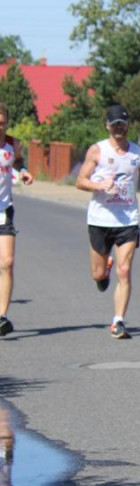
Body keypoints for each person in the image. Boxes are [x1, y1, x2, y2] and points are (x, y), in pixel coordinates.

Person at [74, 105, 140, 339]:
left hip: (127, 219)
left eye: (122, 123)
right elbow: (80, 181)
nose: (119, 128)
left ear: (128, 125)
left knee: (126, 269)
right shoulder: (97, 151)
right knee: (98, 275)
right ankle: (104, 270)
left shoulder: (138, 152)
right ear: (107, 125)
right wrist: (99, 185)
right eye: (114, 124)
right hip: (100, 219)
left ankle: (118, 321)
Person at [0, 103, 34, 337]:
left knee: (8, 262)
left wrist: (23, 171)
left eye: (2, 122)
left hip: (4, 209)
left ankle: (1, 317)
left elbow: (19, 161)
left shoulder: (12, 144)